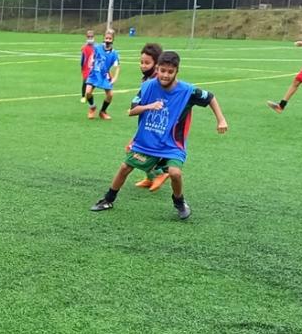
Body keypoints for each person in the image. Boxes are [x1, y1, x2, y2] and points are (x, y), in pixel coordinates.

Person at [90, 51, 228, 220]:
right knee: (125, 167)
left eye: (170, 72)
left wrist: (221, 120)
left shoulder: (187, 91)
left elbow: (211, 97)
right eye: (162, 70)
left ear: (177, 71)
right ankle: (108, 199)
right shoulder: (148, 86)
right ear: (157, 68)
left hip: (172, 144)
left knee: (175, 173)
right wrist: (149, 106)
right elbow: (132, 110)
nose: (165, 75)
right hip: (146, 141)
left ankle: (179, 202)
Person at [129, 43, 171, 191]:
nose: (143, 66)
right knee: (138, 150)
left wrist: (137, 105)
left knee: (132, 150)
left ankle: (160, 174)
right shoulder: (147, 80)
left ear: (157, 64)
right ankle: (150, 177)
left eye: (147, 63)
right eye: (141, 62)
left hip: (156, 124)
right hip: (147, 122)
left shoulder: (157, 81)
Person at [84, 29, 120, 120]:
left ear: (113, 40)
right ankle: (92, 107)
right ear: (103, 38)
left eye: (110, 38)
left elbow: (117, 67)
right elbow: (91, 56)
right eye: (106, 38)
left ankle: (103, 111)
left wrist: (115, 78)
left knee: (110, 95)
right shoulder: (97, 48)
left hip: (104, 75)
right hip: (94, 74)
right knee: (88, 92)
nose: (108, 40)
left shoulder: (114, 54)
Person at [80, 29, 95, 103]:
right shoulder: (84, 48)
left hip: (94, 68)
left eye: (91, 37)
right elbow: (82, 59)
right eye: (89, 37)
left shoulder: (96, 47)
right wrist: (82, 67)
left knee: (92, 83)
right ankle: (83, 96)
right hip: (86, 68)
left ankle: (89, 95)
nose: (90, 38)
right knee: (85, 82)